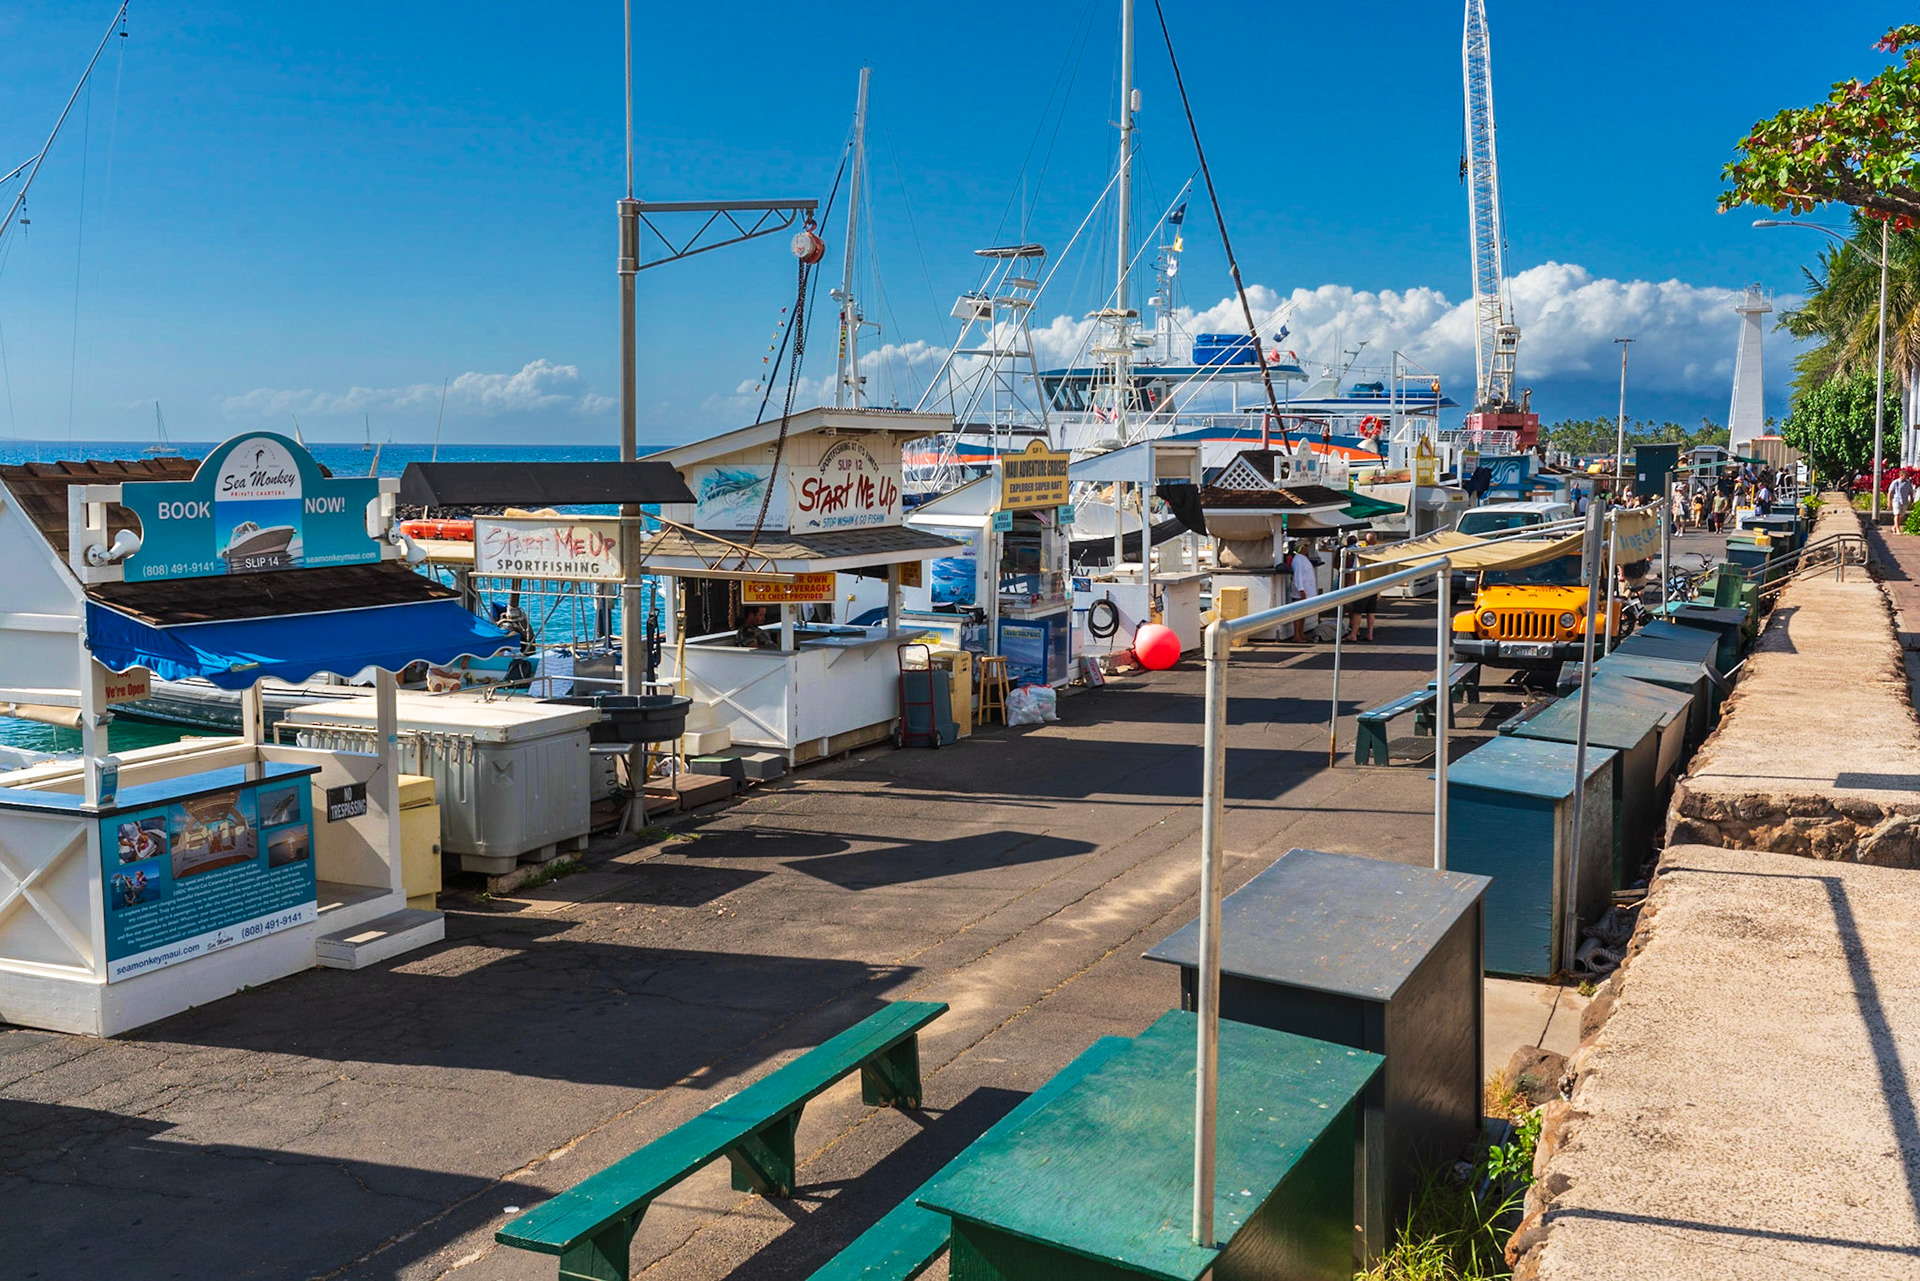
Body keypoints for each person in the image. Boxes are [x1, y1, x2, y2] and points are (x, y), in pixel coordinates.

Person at [1341, 534, 1378, 642]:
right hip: (1374, 584)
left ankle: (1353, 634)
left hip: (1361, 585)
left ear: (1365, 542)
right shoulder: (1379, 553)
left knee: (1357, 611)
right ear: (1376, 541)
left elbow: (1354, 570)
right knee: (1370, 611)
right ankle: (1370, 634)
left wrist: (1349, 585)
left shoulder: (1362, 553)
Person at [1288, 540, 1320, 643]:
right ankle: (1297, 635)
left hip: (1306, 591)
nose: (1307, 548)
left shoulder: (1303, 559)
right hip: (1301, 591)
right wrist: (1301, 589)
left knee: (1303, 614)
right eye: (1305, 546)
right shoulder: (1298, 559)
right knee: (1298, 614)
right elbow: (1298, 575)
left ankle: (1301, 634)